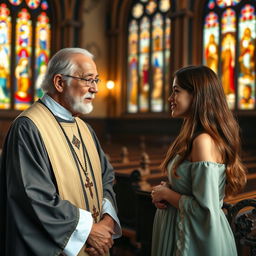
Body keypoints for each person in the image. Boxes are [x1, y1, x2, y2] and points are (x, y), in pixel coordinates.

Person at [0, 48, 121, 256]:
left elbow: (106, 177)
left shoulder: (84, 128)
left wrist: (107, 222)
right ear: (59, 82)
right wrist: (89, 231)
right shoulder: (28, 127)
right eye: (88, 80)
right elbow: (32, 196)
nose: (95, 89)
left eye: (96, 80)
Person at [151, 65, 247, 256]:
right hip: (181, 230)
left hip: (194, 242)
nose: (170, 98)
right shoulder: (193, 137)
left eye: (176, 91)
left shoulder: (203, 141)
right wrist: (170, 188)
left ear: (196, 96)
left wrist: (167, 194)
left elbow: (205, 211)